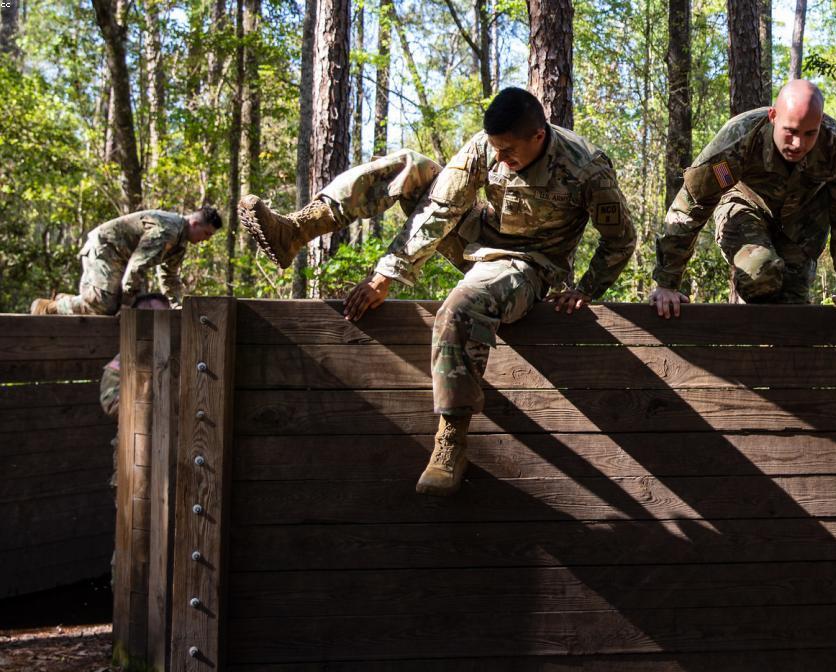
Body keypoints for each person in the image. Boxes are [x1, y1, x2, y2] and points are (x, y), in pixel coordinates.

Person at [239, 87, 637, 496]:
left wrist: (586, 289)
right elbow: (441, 206)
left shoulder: (586, 167)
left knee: (459, 306)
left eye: (508, 150)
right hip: (477, 238)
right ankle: (297, 229)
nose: (499, 157)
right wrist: (388, 273)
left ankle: (451, 441)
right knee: (412, 166)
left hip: (530, 266)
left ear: (538, 136)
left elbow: (621, 239)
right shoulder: (486, 146)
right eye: (495, 148)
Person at [650, 79, 836, 320]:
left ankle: (774, 355)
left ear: (820, 124)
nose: (798, 143)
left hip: (803, 220)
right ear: (773, 116)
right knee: (760, 272)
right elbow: (692, 204)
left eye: (810, 133)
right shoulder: (739, 139)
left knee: (794, 311)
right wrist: (667, 283)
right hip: (744, 206)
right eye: (790, 132)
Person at [30, 206, 222, 315]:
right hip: (106, 248)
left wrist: (179, 307)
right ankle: (49, 307)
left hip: (122, 258)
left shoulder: (180, 243)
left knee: (114, 307)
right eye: (206, 233)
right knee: (105, 305)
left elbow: (169, 277)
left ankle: (66, 299)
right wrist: (126, 307)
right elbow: (137, 266)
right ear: (194, 223)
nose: (206, 239)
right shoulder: (168, 230)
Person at [99, 293, 172, 488]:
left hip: (176, 458)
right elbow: (111, 404)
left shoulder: (181, 355)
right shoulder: (123, 360)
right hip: (137, 456)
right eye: (150, 317)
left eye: (164, 317)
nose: (157, 324)